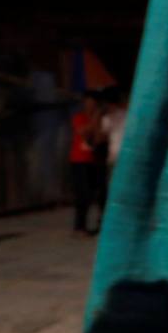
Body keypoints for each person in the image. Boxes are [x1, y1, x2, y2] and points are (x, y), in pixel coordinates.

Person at [68, 90, 104, 235]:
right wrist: (96, 118)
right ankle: (79, 226)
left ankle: (88, 224)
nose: (91, 105)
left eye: (93, 102)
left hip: (93, 160)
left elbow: (99, 137)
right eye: (88, 101)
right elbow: (83, 132)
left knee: (93, 193)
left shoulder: (99, 120)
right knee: (82, 194)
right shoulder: (79, 117)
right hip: (79, 160)